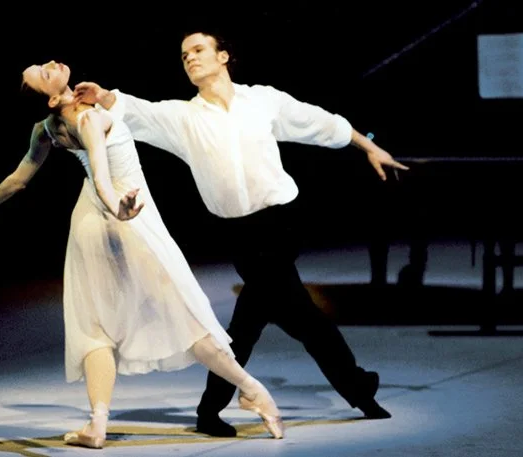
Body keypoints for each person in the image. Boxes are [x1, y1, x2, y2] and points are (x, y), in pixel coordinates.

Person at [73, 31, 409, 437]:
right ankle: (355, 387)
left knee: (272, 319)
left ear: (224, 56)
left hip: (283, 223)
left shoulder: (262, 100)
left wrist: (369, 146)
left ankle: (224, 408)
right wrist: (103, 94)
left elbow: (319, 122)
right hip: (240, 234)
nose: (190, 58)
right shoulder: (183, 117)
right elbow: (138, 112)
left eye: (199, 50)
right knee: (285, 319)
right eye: (184, 55)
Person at [0, 59, 284, 448]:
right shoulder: (87, 119)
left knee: (95, 327)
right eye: (44, 73)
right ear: (53, 97)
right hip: (123, 214)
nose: (51, 63)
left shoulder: (46, 129)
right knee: (183, 313)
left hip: (90, 221)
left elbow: (18, 180)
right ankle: (253, 390)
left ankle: (98, 424)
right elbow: (103, 176)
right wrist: (120, 210)